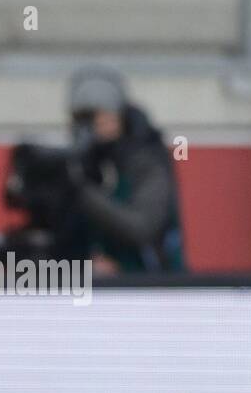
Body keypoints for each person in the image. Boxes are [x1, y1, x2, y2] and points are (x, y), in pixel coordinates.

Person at [65, 66, 185, 272]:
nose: (95, 127)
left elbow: (141, 227)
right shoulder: (86, 165)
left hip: (156, 287)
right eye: (84, 120)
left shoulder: (146, 161)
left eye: (101, 117)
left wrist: (82, 193)